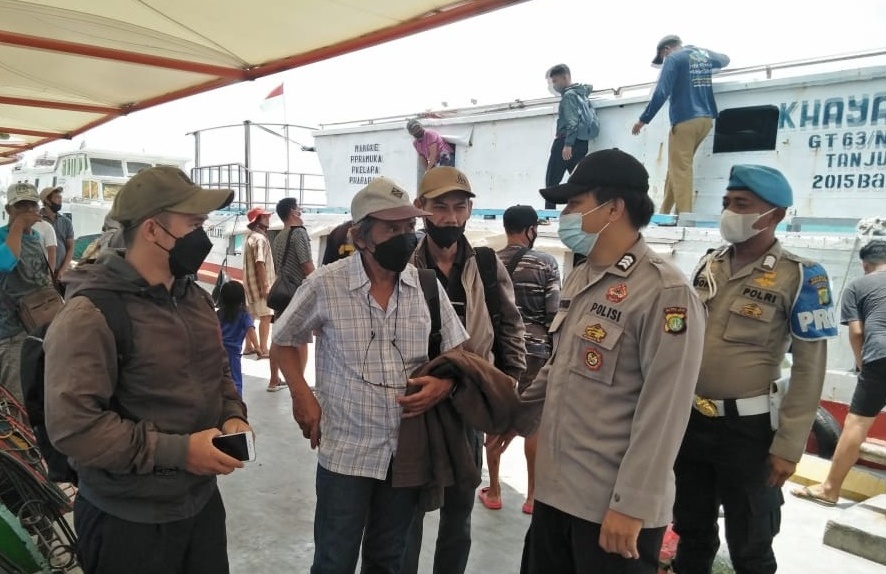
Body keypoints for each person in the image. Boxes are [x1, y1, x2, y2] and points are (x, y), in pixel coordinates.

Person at [43, 166, 251, 574]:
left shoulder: (194, 298)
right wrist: (181, 453)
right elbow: (75, 428)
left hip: (201, 506)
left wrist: (232, 415)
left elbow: (218, 372)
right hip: (128, 521)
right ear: (153, 230)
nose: (203, 237)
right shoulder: (90, 313)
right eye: (194, 225)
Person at [506, 149, 704, 574]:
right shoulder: (582, 275)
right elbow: (559, 367)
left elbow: (665, 410)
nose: (564, 215)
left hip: (609, 509)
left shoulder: (665, 293)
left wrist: (632, 505)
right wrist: (511, 416)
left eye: (575, 204)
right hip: (557, 494)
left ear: (614, 208)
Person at [271, 176, 468, 573]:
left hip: (406, 453)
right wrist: (301, 395)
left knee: (388, 559)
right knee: (334, 559)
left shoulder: (425, 286)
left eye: (408, 227)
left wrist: (444, 384)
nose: (405, 237)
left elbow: (457, 354)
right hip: (346, 451)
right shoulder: (325, 284)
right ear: (361, 236)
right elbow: (283, 340)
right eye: (391, 229)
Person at [673, 165, 838, 574]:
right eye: (727, 202)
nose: (730, 211)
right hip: (691, 422)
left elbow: (810, 368)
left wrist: (788, 446)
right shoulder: (709, 264)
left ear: (775, 214)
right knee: (691, 532)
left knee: (751, 546)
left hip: (749, 433)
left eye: (742, 204)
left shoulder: (801, 275)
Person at [402, 166, 526, 574]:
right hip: (416, 406)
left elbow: (510, 329)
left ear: (470, 210)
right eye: (440, 208)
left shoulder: (486, 265)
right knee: (408, 511)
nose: (451, 218)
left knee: (459, 511)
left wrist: (506, 396)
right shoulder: (404, 263)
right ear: (421, 207)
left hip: (469, 405)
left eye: (460, 207)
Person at [791, 239, 886, 507]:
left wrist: (863, 364)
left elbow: (857, 332)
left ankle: (830, 490)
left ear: (865, 265)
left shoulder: (858, 286)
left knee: (857, 424)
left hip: (879, 355)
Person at [479, 204, 560, 515]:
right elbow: (554, 314)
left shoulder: (489, 262)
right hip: (536, 353)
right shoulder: (546, 263)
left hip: (498, 353)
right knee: (534, 423)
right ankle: (532, 497)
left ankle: (495, 490)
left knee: (495, 418)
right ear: (530, 230)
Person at [631, 35, 730, 215]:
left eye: (662, 58)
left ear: (666, 50)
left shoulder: (673, 59)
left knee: (681, 169)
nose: (664, 61)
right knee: (676, 167)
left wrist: (643, 119)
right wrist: (700, 51)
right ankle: (664, 212)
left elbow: (662, 92)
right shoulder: (701, 55)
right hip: (706, 119)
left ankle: (685, 215)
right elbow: (725, 60)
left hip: (685, 119)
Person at [0, 183, 53, 403]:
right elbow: (6, 262)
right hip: (10, 334)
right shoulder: (3, 237)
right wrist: (19, 225)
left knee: (37, 393)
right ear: (8, 209)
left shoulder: (37, 238)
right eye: (21, 206)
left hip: (36, 327)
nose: (28, 210)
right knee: (16, 401)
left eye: (32, 205)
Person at [544, 64, 596, 210]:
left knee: (552, 182)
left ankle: (548, 215)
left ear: (565, 77)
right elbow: (589, 87)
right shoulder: (581, 92)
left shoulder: (568, 96)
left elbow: (572, 122)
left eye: (555, 81)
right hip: (582, 143)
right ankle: (586, 210)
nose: (554, 85)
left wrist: (567, 144)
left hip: (565, 142)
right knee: (579, 182)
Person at [242, 206, 275, 367]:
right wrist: (266, 286)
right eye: (265, 216)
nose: (268, 218)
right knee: (265, 317)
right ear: (258, 221)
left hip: (250, 286)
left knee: (251, 316)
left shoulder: (250, 237)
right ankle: (263, 348)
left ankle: (248, 347)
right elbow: (260, 263)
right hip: (260, 286)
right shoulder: (260, 239)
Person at [217, 280, 260, 396]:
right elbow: (250, 330)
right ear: (241, 298)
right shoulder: (244, 315)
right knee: (235, 380)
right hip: (233, 353)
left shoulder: (219, 313)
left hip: (217, 350)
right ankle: (237, 401)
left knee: (218, 377)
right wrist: (257, 347)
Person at [39, 185, 75, 276]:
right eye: (57, 197)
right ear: (47, 200)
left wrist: (62, 270)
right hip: (41, 272)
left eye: (60, 197)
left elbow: (70, 248)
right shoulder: (37, 220)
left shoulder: (66, 222)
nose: (60, 200)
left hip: (61, 270)